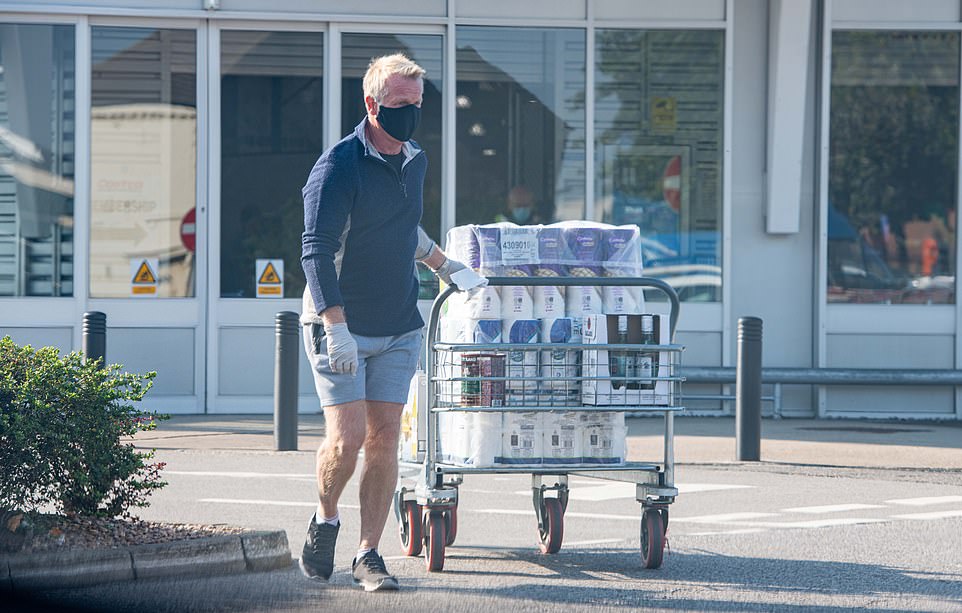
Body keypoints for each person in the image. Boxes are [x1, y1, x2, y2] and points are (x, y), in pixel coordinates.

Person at [298, 54, 483, 592]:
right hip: (341, 323)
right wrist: (335, 325)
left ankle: (367, 553)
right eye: (400, 105)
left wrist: (445, 266)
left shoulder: (415, 159)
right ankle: (325, 518)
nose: (410, 115)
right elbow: (316, 250)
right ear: (372, 104)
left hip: (400, 324)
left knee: (384, 441)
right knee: (348, 438)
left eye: (417, 105)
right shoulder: (337, 168)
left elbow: (402, 228)